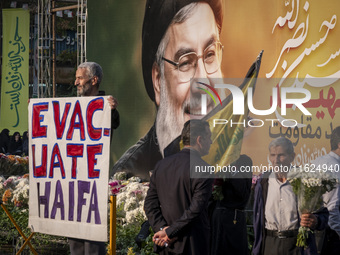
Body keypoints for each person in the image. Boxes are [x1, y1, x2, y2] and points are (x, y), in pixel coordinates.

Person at [113, 0, 224, 180]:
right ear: (158, 81)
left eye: (210, 54)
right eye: (185, 63)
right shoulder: (129, 175)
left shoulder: (231, 164)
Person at [68, 61, 119, 255]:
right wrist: (36, 110)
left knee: (92, 245)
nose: (76, 83)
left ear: (94, 80)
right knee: (75, 243)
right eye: (76, 78)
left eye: (80, 78)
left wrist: (111, 110)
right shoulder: (69, 107)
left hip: (92, 184)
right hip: (70, 184)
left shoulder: (107, 107)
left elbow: (114, 122)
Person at [144, 119, 214, 255]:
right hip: (192, 244)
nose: (211, 142)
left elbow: (149, 204)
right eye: (209, 137)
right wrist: (169, 232)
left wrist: (163, 229)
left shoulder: (162, 165)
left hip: (165, 245)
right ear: (199, 140)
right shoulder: (204, 168)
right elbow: (195, 209)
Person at [253, 137, 328, 255]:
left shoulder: (306, 181)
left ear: (292, 156)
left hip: (297, 245)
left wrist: (315, 221)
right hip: (270, 244)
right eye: (272, 155)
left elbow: (323, 215)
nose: (276, 160)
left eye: (281, 155)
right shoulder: (263, 182)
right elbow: (257, 219)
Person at [210, 154, 253, 255]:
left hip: (235, 218)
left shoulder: (244, 160)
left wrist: (231, 171)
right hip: (220, 217)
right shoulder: (220, 162)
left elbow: (242, 192)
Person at [312, 126, 340, 255]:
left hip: (318, 230)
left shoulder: (318, 161)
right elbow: (332, 207)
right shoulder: (336, 167)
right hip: (331, 235)